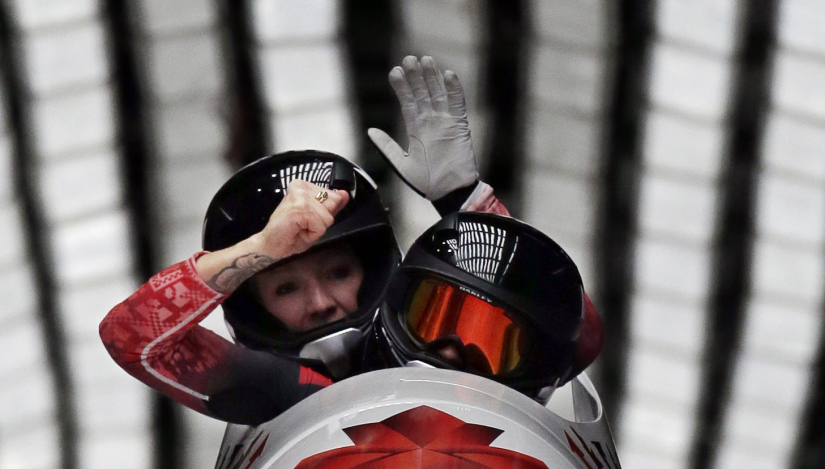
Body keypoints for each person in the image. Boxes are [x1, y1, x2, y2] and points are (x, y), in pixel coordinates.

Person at [100, 57, 601, 425]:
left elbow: (577, 335)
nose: (321, 303)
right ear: (251, 303)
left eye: (338, 272)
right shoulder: (265, 386)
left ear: (379, 268)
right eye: (285, 287)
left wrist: (464, 198)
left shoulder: (448, 338)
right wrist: (263, 249)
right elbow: (130, 337)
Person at [366, 211, 604, 399]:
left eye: (489, 342)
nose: (448, 352)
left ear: (537, 369)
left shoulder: (534, 459)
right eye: (431, 321)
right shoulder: (346, 385)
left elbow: (589, 336)